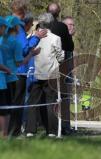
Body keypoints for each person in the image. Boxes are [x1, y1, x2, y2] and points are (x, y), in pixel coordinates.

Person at [8, 0, 47, 136]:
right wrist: (36, 37)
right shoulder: (18, 26)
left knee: (7, 102)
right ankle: (14, 133)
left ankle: (6, 133)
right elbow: (23, 49)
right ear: (23, 12)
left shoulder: (6, 23)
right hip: (18, 72)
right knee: (17, 103)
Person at [25, 13, 64, 137]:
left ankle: (30, 130)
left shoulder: (32, 36)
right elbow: (60, 56)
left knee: (32, 102)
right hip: (50, 74)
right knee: (51, 103)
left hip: (35, 73)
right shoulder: (55, 38)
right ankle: (51, 131)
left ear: (39, 23)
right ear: (52, 23)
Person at [47, 3, 74, 135]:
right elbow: (69, 47)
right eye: (69, 25)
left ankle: (64, 126)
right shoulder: (60, 28)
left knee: (64, 98)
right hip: (57, 68)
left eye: (73, 25)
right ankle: (58, 127)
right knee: (57, 97)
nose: (71, 27)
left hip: (61, 69)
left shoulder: (40, 26)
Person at [0, 17, 12, 138]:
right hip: (1, 82)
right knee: (3, 111)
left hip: (3, 81)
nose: (5, 29)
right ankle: (3, 136)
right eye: (4, 27)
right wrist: (7, 69)